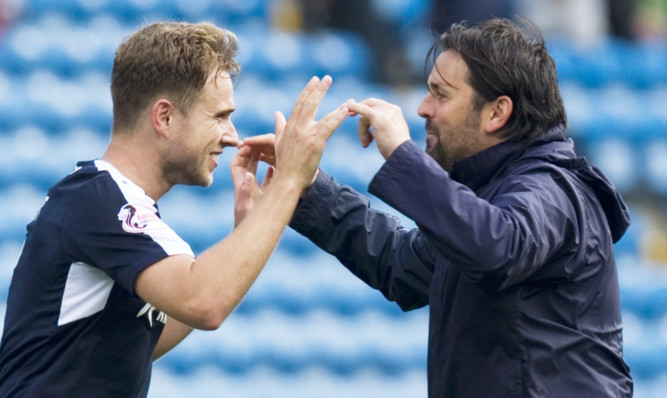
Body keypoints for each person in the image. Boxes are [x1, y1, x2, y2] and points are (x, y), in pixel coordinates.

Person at [241, 18, 634, 397]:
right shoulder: (487, 197)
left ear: (497, 112)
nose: (423, 108)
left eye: (441, 94)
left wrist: (402, 154)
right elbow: (400, 264)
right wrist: (307, 186)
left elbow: (497, 247)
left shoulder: (554, 188)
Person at [0, 22, 348, 397]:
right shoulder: (99, 201)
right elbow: (204, 303)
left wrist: (248, 229)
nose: (232, 136)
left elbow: (141, 342)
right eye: (219, 116)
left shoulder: (108, 202)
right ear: (164, 117)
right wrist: (290, 181)